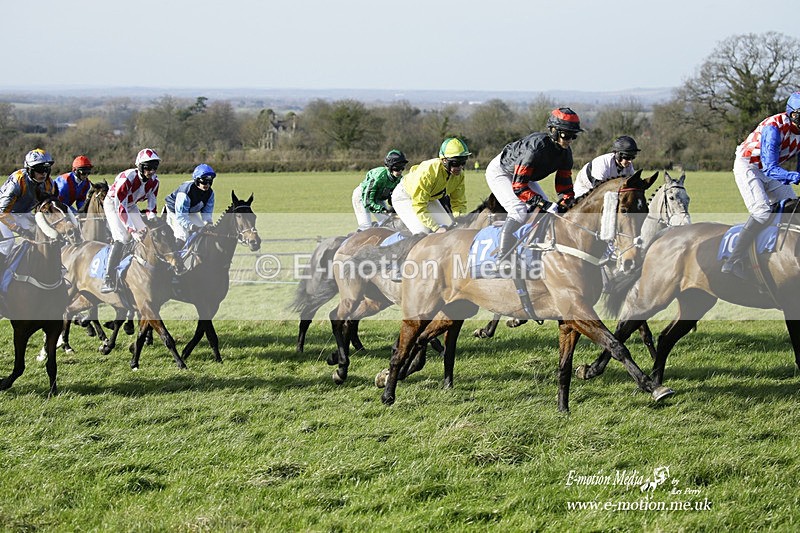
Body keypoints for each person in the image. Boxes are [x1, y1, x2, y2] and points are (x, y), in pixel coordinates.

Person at [486, 107, 582, 266]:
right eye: (566, 134)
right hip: (502, 171)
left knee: (547, 211)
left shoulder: (566, 154)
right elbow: (518, 187)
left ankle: (533, 247)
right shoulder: (535, 149)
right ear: (553, 131)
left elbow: (564, 187)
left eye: (574, 135)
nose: (570, 139)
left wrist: (568, 203)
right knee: (518, 210)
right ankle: (502, 259)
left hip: (525, 176)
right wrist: (544, 203)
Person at [721, 92, 800, 275]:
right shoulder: (774, 129)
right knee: (762, 212)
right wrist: (795, 177)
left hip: (771, 168)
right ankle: (734, 260)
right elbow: (770, 169)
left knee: (795, 209)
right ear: (792, 114)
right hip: (749, 165)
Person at [100, 148, 161, 293]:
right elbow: (120, 207)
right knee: (123, 238)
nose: (151, 171)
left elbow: (152, 205)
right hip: (114, 204)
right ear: (140, 166)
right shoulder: (127, 178)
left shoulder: (155, 182)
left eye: (154, 167)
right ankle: (108, 278)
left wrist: (152, 221)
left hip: (131, 205)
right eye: (148, 167)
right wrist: (132, 230)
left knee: (146, 234)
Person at [391, 138, 470, 235]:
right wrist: (435, 228)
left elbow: (458, 202)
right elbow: (419, 205)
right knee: (423, 231)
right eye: (455, 163)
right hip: (405, 197)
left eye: (463, 162)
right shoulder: (428, 172)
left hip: (428, 198)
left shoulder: (459, 176)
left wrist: (460, 221)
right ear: (444, 160)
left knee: (450, 227)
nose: (460, 167)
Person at [0, 149, 58, 268]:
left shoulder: (48, 183)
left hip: (23, 213)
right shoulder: (18, 182)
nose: (44, 174)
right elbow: (3, 212)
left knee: (43, 235)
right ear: (29, 170)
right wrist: (20, 230)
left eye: (46, 170)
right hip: (4, 214)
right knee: (9, 242)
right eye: (40, 170)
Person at [352, 150, 408, 230]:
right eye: (397, 167)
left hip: (378, 198)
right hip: (362, 197)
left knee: (387, 222)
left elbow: (394, 198)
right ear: (390, 166)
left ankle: (377, 229)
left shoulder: (399, 179)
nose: (400, 171)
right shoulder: (379, 176)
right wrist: (382, 210)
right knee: (366, 226)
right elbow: (368, 201)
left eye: (402, 167)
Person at [164, 163, 216, 246]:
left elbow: (206, 213)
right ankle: (175, 258)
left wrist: (209, 224)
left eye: (209, 181)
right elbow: (181, 216)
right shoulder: (185, 191)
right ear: (197, 180)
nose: (207, 185)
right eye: (204, 181)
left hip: (190, 211)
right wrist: (192, 227)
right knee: (183, 236)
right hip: (174, 211)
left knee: (204, 234)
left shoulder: (210, 193)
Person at [573, 136, 640, 197]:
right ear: (618, 155)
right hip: (584, 187)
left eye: (632, 157)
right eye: (628, 157)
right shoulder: (602, 164)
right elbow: (598, 191)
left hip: (605, 187)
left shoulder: (629, 167)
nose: (630, 161)